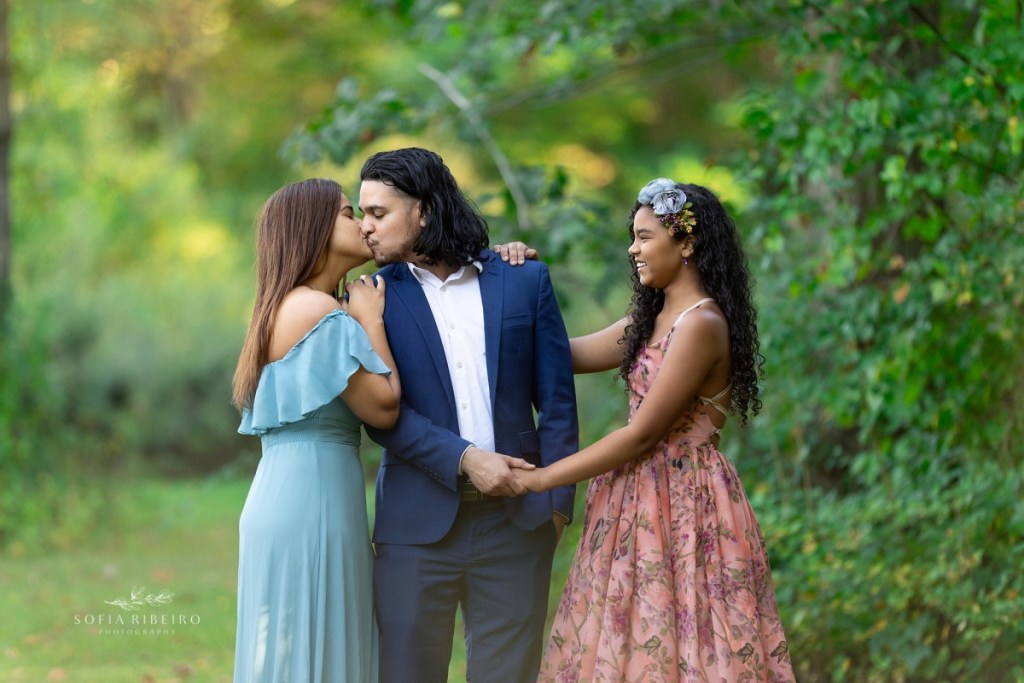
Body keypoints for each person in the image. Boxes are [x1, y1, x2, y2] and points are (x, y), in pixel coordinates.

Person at [503, 179, 796, 682]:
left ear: (686, 243)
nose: (632, 250)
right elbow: (558, 354)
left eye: (644, 237)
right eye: (633, 237)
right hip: (633, 500)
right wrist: (517, 279)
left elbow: (642, 435)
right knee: (630, 641)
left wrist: (540, 478)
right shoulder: (651, 321)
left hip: (684, 504)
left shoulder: (701, 324)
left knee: (689, 641)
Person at [356, 147, 579, 683]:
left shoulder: (524, 280)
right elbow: (381, 415)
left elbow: (557, 400)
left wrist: (555, 509)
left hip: (519, 524)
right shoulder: (370, 298)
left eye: (378, 214)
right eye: (362, 213)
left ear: (425, 211)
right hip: (413, 527)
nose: (366, 228)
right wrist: (465, 459)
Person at [231, 178, 401, 683]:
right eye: (349, 213)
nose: (362, 225)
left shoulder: (289, 306)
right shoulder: (315, 309)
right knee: (312, 653)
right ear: (313, 229)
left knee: (299, 653)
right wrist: (370, 320)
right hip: (311, 506)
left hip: (300, 494)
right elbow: (385, 407)